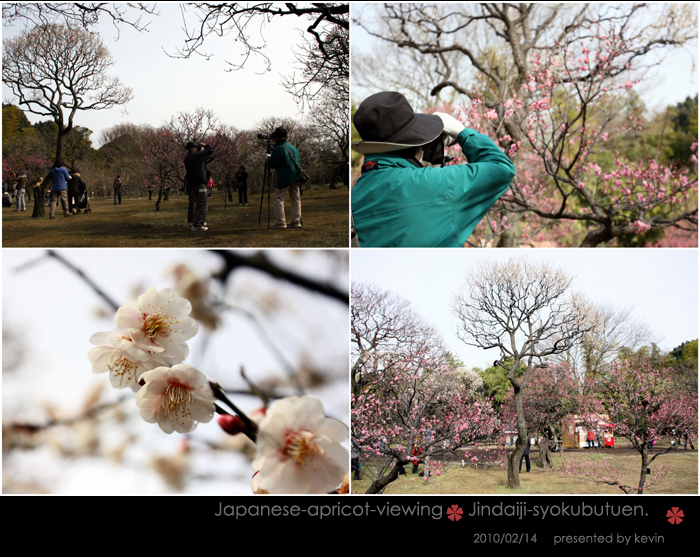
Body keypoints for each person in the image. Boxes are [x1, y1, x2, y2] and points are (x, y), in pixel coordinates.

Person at [351, 91, 516, 247]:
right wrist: (462, 133)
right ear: (415, 143)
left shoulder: (354, 195)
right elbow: (501, 168)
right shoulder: (436, 183)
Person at [266, 127, 302, 229]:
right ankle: (296, 221)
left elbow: (272, 163)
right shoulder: (293, 148)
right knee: (295, 199)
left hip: (285, 176)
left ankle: (280, 222)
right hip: (296, 176)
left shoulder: (279, 148)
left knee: (278, 199)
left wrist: (268, 157)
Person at [184, 141, 215, 232]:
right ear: (194, 148)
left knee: (199, 203)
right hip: (200, 183)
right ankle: (197, 224)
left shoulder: (187, 159)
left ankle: (199, 221)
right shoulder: (196, 156)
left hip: (192, 184)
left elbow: (201, 165)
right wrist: (206, 146)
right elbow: (210, 151)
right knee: (203, 203)